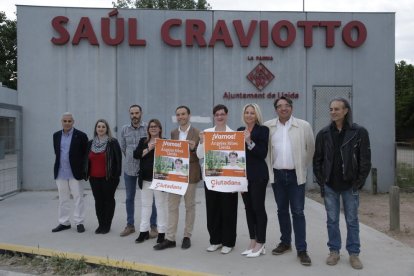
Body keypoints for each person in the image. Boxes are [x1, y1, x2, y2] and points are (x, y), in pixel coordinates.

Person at [313, 98, 371, 270]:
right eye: (331, 109)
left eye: (337, 109)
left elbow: (365, 161)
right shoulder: (323, 134)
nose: (333, 112)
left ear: (346, 111)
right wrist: (322, 181)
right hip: (330, 185)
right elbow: (317, 160)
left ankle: (354, 254)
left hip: (350, 185)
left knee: (352, 220)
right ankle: (334, 251)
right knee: (332, 220)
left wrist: (358, 183)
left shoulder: (359, 132)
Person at [264, 96, 315, 266]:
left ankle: (302, 250)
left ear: (291, 108)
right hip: (277, 176)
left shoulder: (303, 126)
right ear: (276, 109)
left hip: (296, 176)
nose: (283, 108)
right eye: (279, 106)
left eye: (286, 105)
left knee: (298, 212)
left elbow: (311, 149)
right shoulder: (268, 127)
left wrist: (300, 166)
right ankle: (285, 243)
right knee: (282, 211)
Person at [154, 105, 201, 250]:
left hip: (190, 175)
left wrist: (194, 148)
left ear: (189, 115)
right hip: (175, 175)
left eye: (183, 114)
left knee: (189, 207)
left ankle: (187, 236)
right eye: (178, 115)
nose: (181, 117)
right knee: (172, 206)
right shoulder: (173, 132)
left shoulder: (198, 133)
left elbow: (201, 154)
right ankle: (170, 238)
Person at [197, 104, 237, 254]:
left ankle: (228, 242)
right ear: (214, 117)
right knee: (212, 210)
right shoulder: (206, 133)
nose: (220, 117)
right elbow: (200, 155)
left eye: (222, 114)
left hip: (229, 179)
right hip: (212, 178)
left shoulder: (233, 134)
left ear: (226, 115)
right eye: (217, 114)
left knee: (228, 210)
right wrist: (202, 142)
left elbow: (238, 157)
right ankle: (215, 240)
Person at [120, 105, 157, 238]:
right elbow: (123, 148)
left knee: (150, 198)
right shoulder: (124, 129)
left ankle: (153, 226)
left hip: (145, 169)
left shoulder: (148, 128)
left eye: (136, 113)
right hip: (129, 169)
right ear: (129, 115)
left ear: (141, 113)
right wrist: (131, 158)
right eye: (132, 113)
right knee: (129, 198)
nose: (134, 115)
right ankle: (130, 225)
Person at [237, 103, 269, 258]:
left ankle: (261, 242)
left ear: (257, 115)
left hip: (258, 175)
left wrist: (249, 141)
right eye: (247, 112)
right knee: (248, 208)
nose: (249, 115)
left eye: (252, 113)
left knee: (258, 207)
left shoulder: (263, 130)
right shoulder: (239, 131)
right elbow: (235, 156)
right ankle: (252, 240)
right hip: (243, 176)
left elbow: (262, 153)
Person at [52, 112, 88, 233]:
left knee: (78, 198)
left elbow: (85, 155)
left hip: (75, 173)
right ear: (61, 122)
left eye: (69, 121)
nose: (67, 123)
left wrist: (84, 171)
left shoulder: (81, 135)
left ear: (73, 122)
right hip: (61, 172)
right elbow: (57, 153)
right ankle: (64, 222)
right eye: (65, 121)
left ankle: (79, 222)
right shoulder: (56, 135)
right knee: (63, 198)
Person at [133, 119, 167, 244]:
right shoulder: (143, 141)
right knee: (146, 205)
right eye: (151, 127)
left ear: (160, 129)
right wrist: (149, 148)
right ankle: (143, 231)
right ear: (148, 129)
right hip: (145, 179)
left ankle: (162, 233)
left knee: (160, 206)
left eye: (155, 126)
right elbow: (136, 155)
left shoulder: (165, 142)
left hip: (160, 179)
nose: (153, 128)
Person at [86, 119, 122, 234]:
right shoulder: (90, 143)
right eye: (98, 127)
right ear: (95, 129)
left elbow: (118, 160)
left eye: (103, 127)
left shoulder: (113, 142)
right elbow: (86, 160)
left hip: (109, 178)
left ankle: (107, 225)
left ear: (107, 129)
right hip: (94, 178)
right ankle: (100, 224)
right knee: (98, 201)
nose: (100, 129)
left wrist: (116, 176)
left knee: (108, 201)